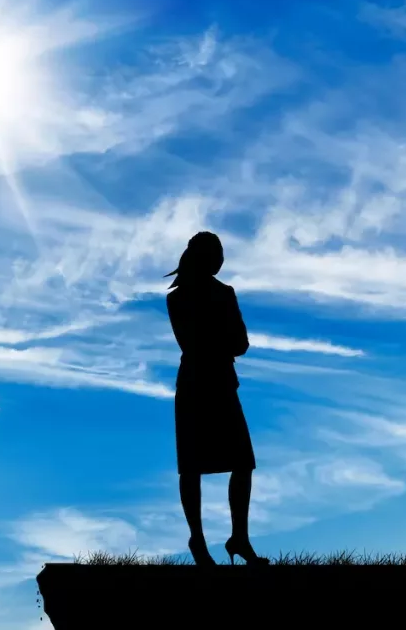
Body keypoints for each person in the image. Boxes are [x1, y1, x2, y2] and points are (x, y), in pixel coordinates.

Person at [164, 231, 268, 567]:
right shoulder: (183, 297)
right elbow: (206, 342)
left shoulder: (217, 294)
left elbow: (240, 342)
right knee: (194, 466)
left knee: (240, 462)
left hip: (215, 381)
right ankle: (202, 538)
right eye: (217, 252)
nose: (221, 259)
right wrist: (220, 341)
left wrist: (217, 342)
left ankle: (238, 537)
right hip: (202, 382)